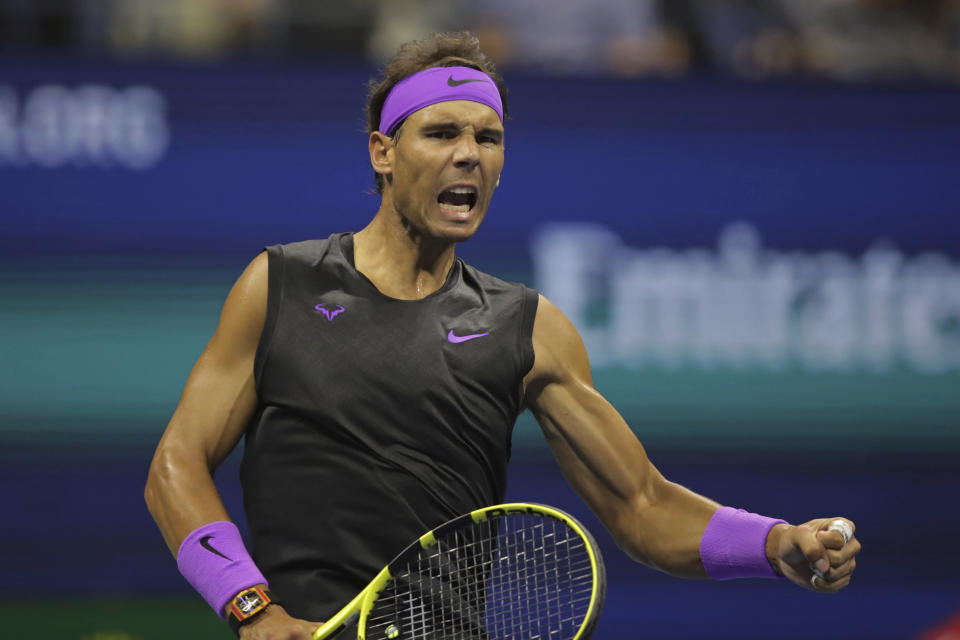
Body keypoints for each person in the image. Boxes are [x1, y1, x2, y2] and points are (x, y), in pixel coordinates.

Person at [144, 31, 860, 639]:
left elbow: (643, 506)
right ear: (382, 153)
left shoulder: (530, 328)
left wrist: (773, 543)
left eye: (488, 137)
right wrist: (251, 606)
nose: (470, 155)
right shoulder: (280, 285)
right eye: (442, 133)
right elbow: (174, 467)